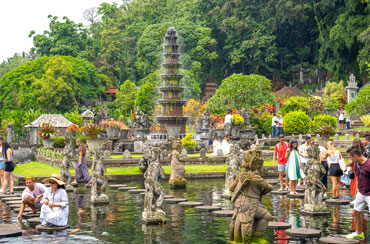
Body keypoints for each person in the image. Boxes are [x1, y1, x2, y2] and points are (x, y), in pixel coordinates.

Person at [345, 146, 370, 241]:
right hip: (361, 192)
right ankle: (359, 233)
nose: (350, 159)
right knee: (356, 212)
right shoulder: (356, 164)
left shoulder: (368, 164)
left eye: (350, 157)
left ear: (355, 156)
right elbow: (359, 177)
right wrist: (357, 190)